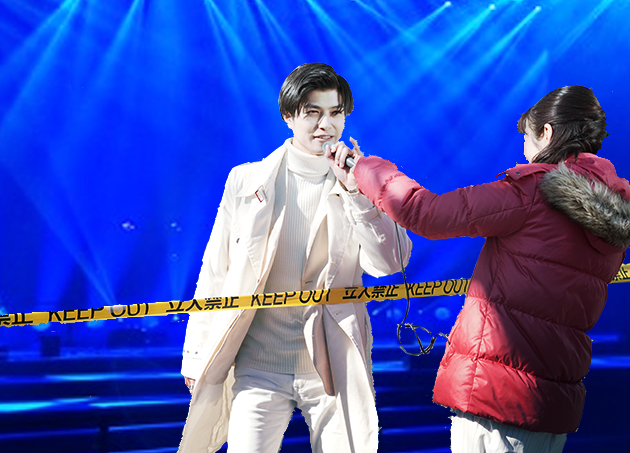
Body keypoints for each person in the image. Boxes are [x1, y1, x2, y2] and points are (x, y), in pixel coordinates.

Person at [330, 85, 630, 452]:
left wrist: (364, 167)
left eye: (527, 138)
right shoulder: (614, 214)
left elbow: (427, 214)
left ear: (547, 132)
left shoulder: (533, 191)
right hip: (552, 403)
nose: (525, 150)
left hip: (498, 398)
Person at [178, 63, 412, 453]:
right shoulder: (246, 179)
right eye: (313, 113)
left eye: (335, 112)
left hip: (333, 363)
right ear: (288, 116)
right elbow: (216, 269)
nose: (326, 125)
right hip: (258, 364)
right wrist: (196, 354)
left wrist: (357, 193)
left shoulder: (364, 179)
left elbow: (389, 263)